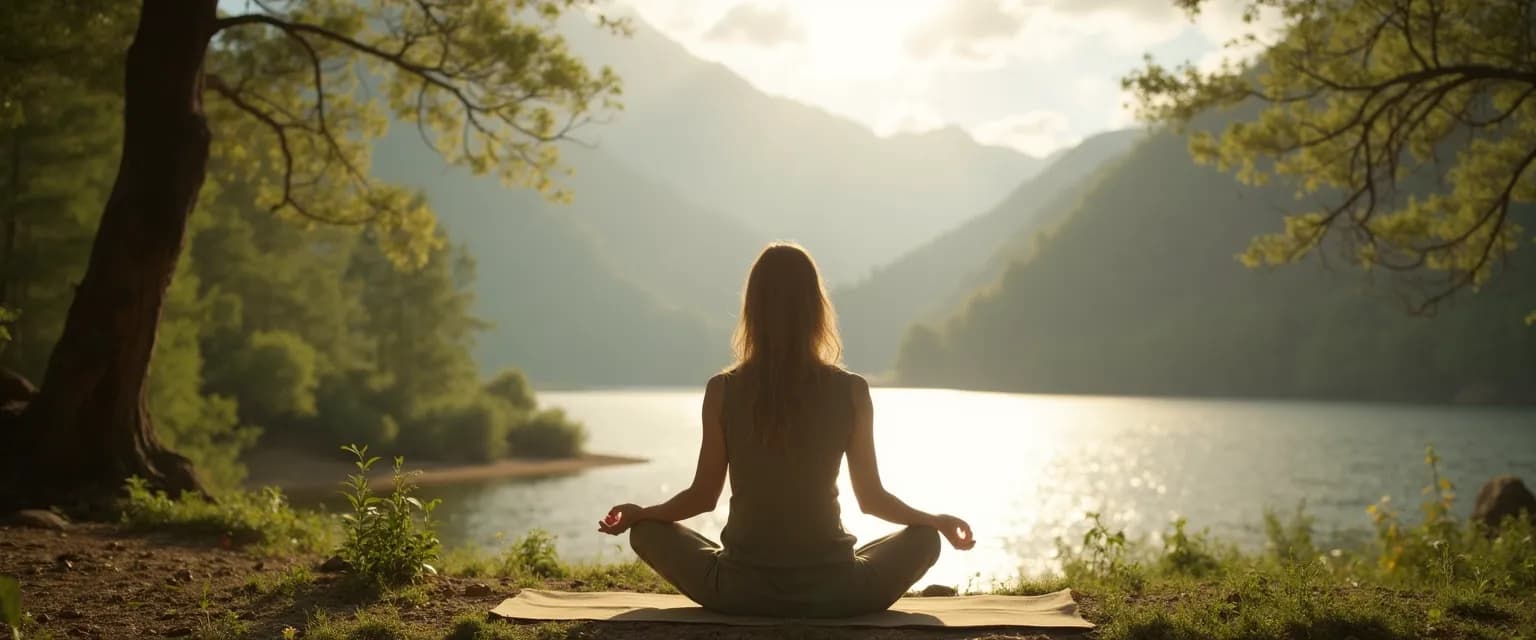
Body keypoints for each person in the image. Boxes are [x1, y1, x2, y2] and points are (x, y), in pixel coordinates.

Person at [598, 242, 975, 618]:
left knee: (646, 531)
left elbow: (702, 498)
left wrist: (641, 513)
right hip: (838, 594)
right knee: (924, 539)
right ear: (816, 310)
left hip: (737, 591)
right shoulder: (852, 391)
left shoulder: (723, 390)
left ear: (752, 310)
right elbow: (872, 500)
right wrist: (935, 521)